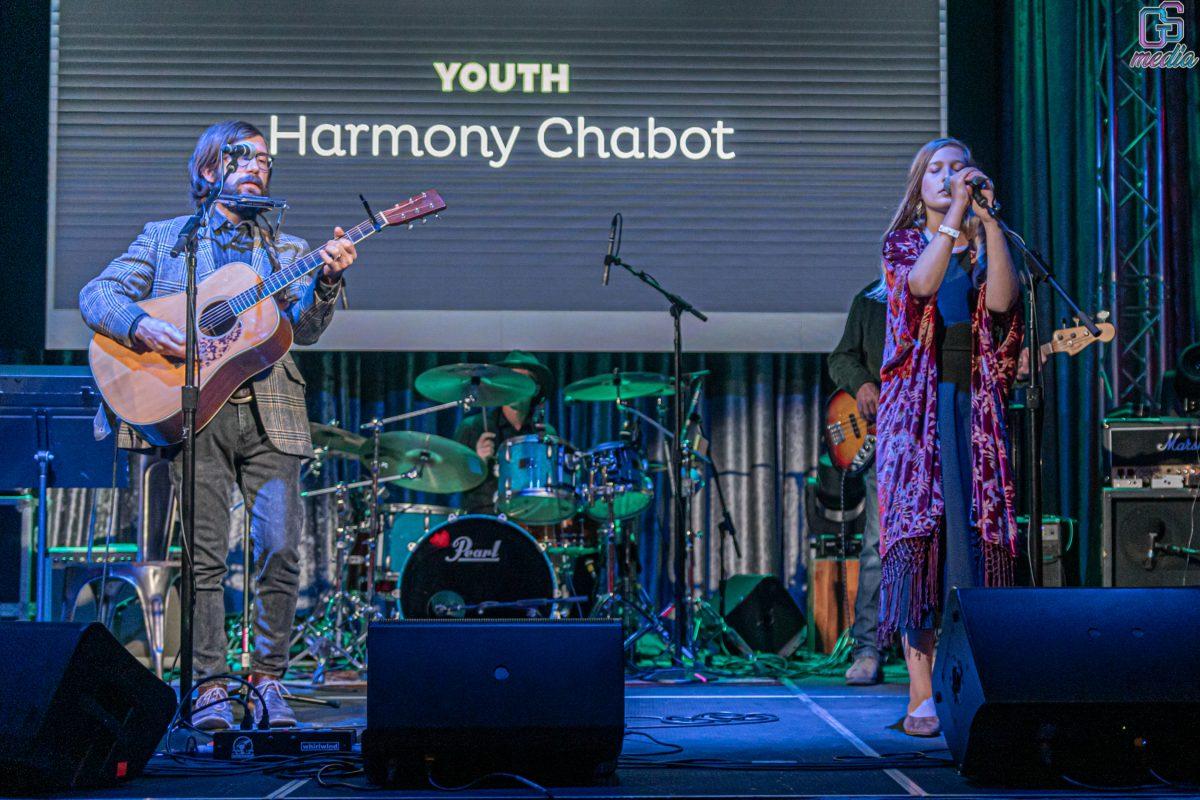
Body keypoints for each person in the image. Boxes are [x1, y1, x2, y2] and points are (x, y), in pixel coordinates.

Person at [79, 120, 358, 730]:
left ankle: (267, 681)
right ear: (209, 171)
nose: (258, 166)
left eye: (265, 159)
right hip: (192, 415)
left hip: (272, 415)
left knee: (281, 549)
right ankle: (208, 685)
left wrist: (330, 280)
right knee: (203, 557)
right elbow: (96, 294)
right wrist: (140, 326)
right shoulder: (165, 240)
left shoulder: (286, 251)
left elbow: (304, 330)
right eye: (243, 157)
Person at [872, 137, 1022, 736]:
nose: (948, 176)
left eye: (958, 167)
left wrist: (987, 223)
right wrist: (956, 215)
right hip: (918, 413)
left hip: (973, 411)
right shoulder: (904, 243)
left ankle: (975, 683)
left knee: (971, 544)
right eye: (935, 170)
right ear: (918, 188)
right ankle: (919, 692)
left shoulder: (981, 246)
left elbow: (1005, 301)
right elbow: (921, 288)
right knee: (921, 551)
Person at [827, 284, 886, 686]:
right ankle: (867, 647)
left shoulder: (951, 293)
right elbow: (841, 357)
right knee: (877, 544)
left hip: (933, 434)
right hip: (885, 437)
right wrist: (863, 383)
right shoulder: (872, 298)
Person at [452, 351, 556, 514]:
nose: (515, 387)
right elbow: (453, 479)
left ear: (535, 390)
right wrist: (477, 461)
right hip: (483, 518)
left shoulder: (544, 433)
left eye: (522, 381)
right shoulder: (473, 427)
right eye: (511, 381)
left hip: (531, 520)